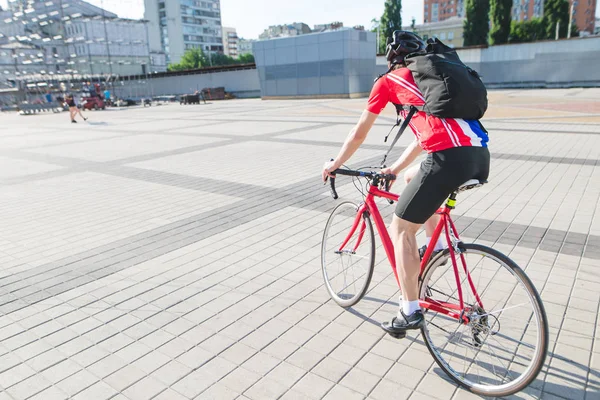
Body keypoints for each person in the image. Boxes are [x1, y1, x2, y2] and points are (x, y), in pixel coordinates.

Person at [321, 31, 490, 337]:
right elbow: (425, 135)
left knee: (401, 227)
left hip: (446, 158)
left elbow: (359, 133)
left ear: (391, 59)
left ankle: (409, 310)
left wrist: (335, 164)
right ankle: (438, 246)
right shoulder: (432, 81)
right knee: (414, 176)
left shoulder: (388, 81)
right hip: (478, 155)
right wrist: (396, 169)